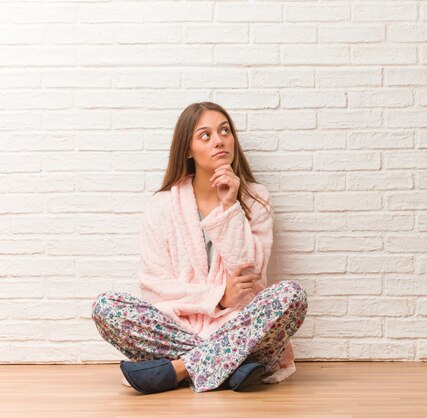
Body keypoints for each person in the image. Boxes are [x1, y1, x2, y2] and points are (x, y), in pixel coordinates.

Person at [90, 102, 308, 394]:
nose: (219, 140)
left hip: (239, 323)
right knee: (107, 307)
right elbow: (155, 286)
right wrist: (218, 299)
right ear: (188, 150)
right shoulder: (162, 205)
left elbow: (251, 272)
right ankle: (232, 369)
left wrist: (230, 206)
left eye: (224, 131)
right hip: (183, 328)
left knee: (291, 296)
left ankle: (179, 369)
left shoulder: (256, 199)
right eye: (205, 135)